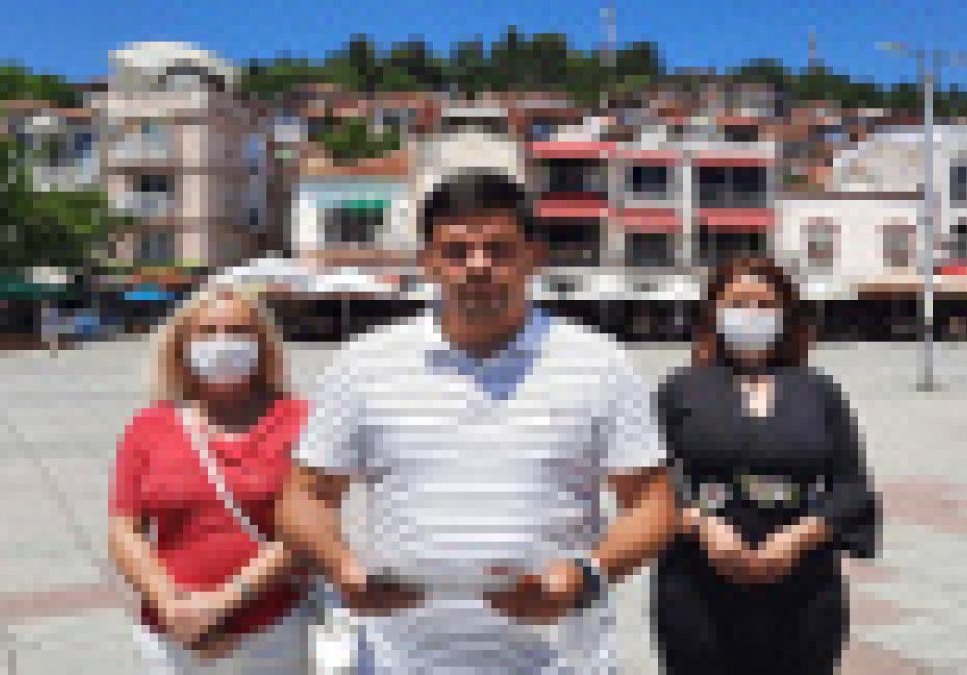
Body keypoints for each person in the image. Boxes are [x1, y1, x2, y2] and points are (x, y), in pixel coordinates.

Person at [276, 170, 677, 674]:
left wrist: (587, 576)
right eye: (457, 252)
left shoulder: (601, 364)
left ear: (533, 256)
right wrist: (341, 566)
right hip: (400, 661)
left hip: (562, 661)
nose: (478, 266)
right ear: (427, 261)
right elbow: (306, 496)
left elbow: (651, 503)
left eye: (498, 250)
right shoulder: (362, 364)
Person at [650, 257, 881, 675]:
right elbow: (648, 480)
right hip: (697, 583)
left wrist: (798, 537)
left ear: (786, 314)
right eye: (738, 303)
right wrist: (699, 525)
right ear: (714, 312)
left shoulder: (819, 390)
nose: (751, 314)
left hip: (803, 585)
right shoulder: (679, 389)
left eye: (765, 304)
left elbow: (852, 487)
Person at [108, 284, 318, 674]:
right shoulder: (149, 425)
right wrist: (169, 602)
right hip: (172, 632)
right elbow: (125, 528)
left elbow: (310, 531)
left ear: (264, 344)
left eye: (239, 331)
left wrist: (222, 603)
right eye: (207, 331)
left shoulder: (301, 421)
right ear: (182, 345)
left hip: (270, 631)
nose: (223, 343)